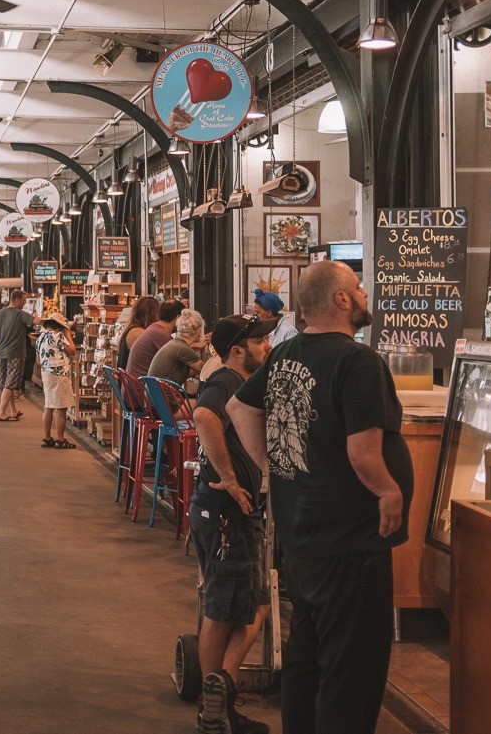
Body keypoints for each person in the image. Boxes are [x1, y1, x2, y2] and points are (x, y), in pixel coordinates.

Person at [227, 261, 413, 734]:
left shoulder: (287, 353)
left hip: (302, 536)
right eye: (357, 287)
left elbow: (239, 408)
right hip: (350, 541)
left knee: (307, 661)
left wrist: (273, 465)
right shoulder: (358, 361)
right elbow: (363, 452)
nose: (364, 292)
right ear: (342, 300)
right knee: (350, 673)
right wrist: (389, 489)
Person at [188, 313, 278, 734]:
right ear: (239, 350)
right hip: (228, 512)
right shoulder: (225, 380)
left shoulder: (239, 382)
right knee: (222, 611)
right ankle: (214, 708)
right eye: (261, 341)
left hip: (229, 511)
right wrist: (227, 476)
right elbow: (204, 417)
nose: (268, 346)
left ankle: (220, 693)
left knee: (254, 606)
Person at [0, 289, 34, 422]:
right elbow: (35, 322)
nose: (24, 303)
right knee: (11, 383)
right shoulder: (20, 314)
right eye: (24, 300)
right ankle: (0, 412)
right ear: (18, 300)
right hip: (15, 353)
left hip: (0, 353)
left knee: (6, 382)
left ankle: (13, 411)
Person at [35, 312, 78, 449]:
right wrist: (68, 335)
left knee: (49, 405)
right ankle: (60, 438)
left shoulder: (40, 337)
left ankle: (46, 437)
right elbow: (72, 350)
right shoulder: (57, 336)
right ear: (59, 326)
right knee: (61, 407)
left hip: (46, 373)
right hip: (59, 373)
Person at [148, 308, 209, 391]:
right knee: (208, 403)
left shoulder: (174, 344)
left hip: (154, 400)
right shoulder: (182, 348)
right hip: (166, 401)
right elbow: (205, 370)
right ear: (198, 331)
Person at [126, 299, 184, 380]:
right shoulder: (161, 334)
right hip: (142, 388)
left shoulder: (154, 328)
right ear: (178, 318)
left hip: (135, 386)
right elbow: (181, 363)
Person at [117, 296, 161, 370]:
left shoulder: (131, 328)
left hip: (126, 378)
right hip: (133, 379)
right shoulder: (139, 333)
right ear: (151, 314)